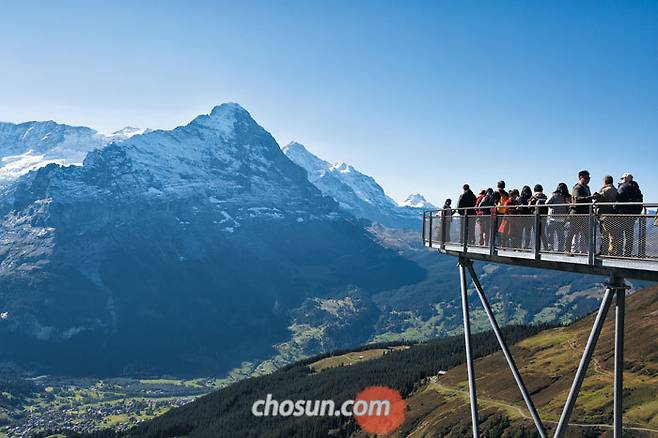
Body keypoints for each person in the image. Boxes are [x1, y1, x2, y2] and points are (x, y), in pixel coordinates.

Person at [566, 170, 594, 255]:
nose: (587, 180)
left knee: (587, 233)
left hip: (585, 214)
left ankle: (590, 252)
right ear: (580, 178)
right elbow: (577, 199)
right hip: (577, 214)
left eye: (589, 178)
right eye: (585, 178)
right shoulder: (577, 187)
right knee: (572, 232)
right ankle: (567, 250)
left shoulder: (587, 187)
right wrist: (590, 197)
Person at [615, 173, 644, 257]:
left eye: (622, 178)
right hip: (632, 215)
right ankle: (627, 253)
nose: (621, 180)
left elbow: (618, 200)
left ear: (626, 178)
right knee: (629, 235)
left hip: (621, 215)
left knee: (619, 234)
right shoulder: (636, 189)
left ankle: (619, 252)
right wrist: (636, 213)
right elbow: (640, 202)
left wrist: (615, 210)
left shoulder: (623, 187)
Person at [594, 176, 619, 256]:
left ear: (605, 182)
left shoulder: (604, 190)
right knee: (612, 235)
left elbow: (598, 201)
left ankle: (603, 251)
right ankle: (611, 251)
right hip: (612, 214)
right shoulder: (616, 190)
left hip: (604, 214)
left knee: (603, 235)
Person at [545, 183, 571, 252]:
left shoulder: (554, 195)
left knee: (550, 235)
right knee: (561, 236)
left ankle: (551, 249)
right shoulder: (567, 196)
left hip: (552, 218)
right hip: (562, 218)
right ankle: (560, 249)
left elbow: (546, 203)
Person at [529, 184, 549, 250]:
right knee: (543, 232)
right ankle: (546, 247)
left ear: (534, 190)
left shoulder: (533, 197)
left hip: (535, 217)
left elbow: (530, 207)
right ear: (542, 190)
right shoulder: (545, 197)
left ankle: (537, 247)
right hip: (544, 217)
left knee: (536, 232)